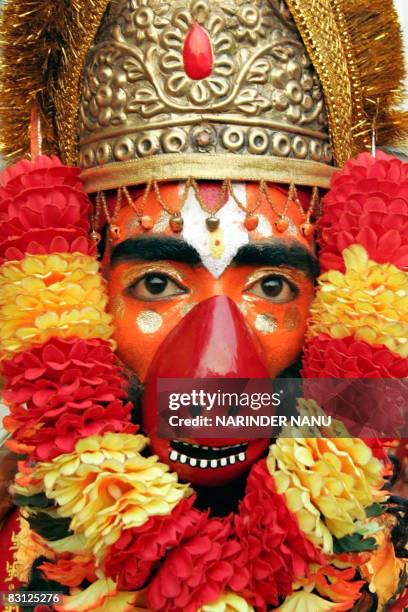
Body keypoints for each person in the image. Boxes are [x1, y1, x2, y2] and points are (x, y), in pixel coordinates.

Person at [0, 0, 406, 610]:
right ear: (83, 292)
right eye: (158, 284)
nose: (216, 365)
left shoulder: (386, 549)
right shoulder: (20, 553)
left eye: (271, 286)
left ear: (331, 301)